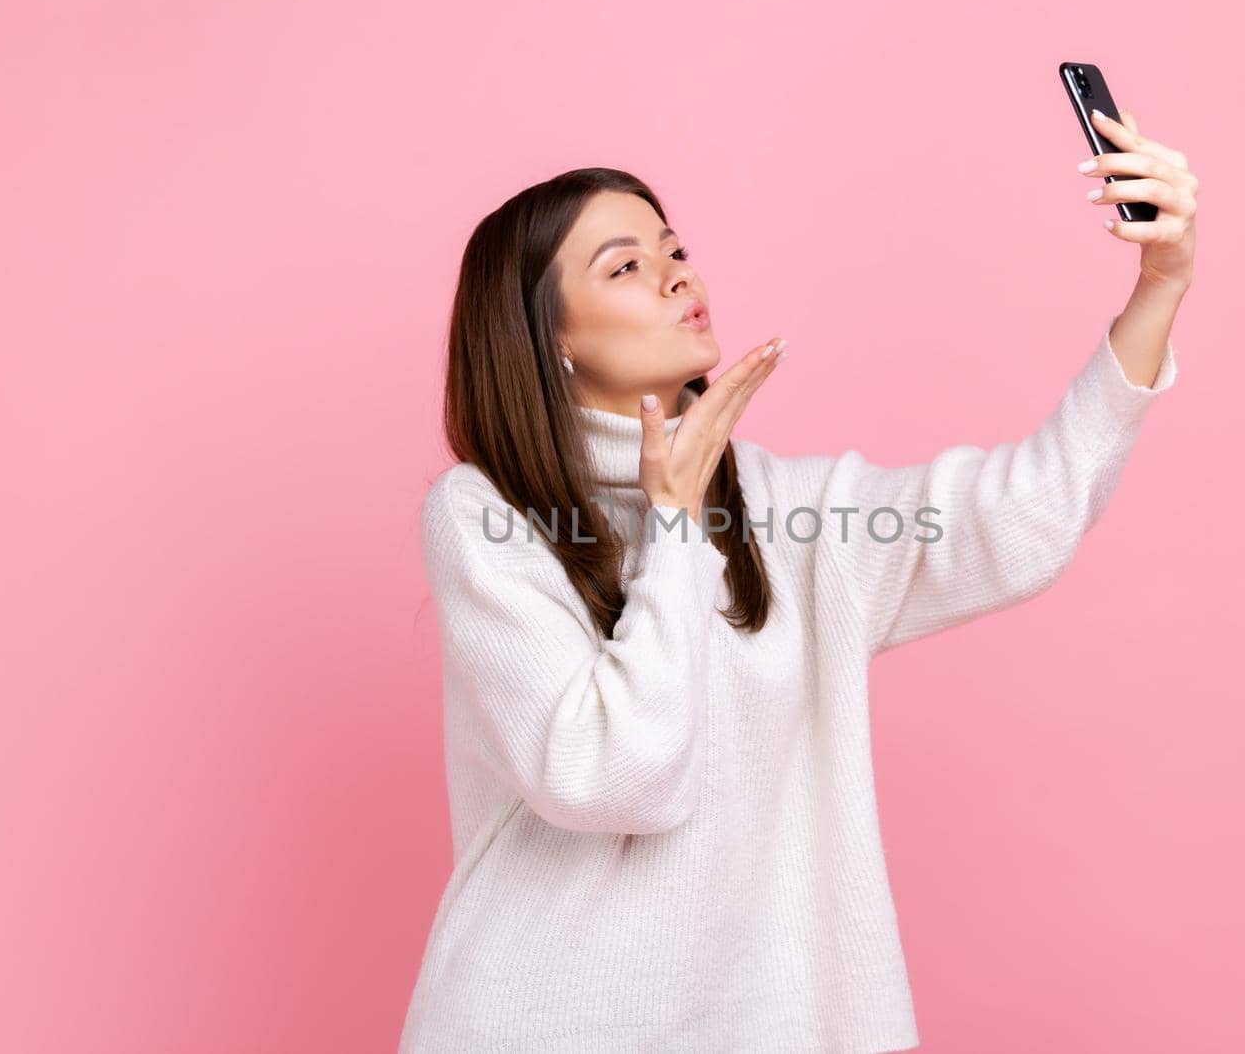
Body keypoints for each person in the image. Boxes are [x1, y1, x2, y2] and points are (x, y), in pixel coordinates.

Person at [401, 114, 1197, 1052]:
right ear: (550, 342)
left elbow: (1023, 514)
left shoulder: (790, 511)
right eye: (624, 266)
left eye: (675, 248)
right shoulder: (487, 516)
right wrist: (673, 520)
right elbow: (619, 778)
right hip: (542, 1024)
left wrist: (1162, 283)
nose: (678, 274)